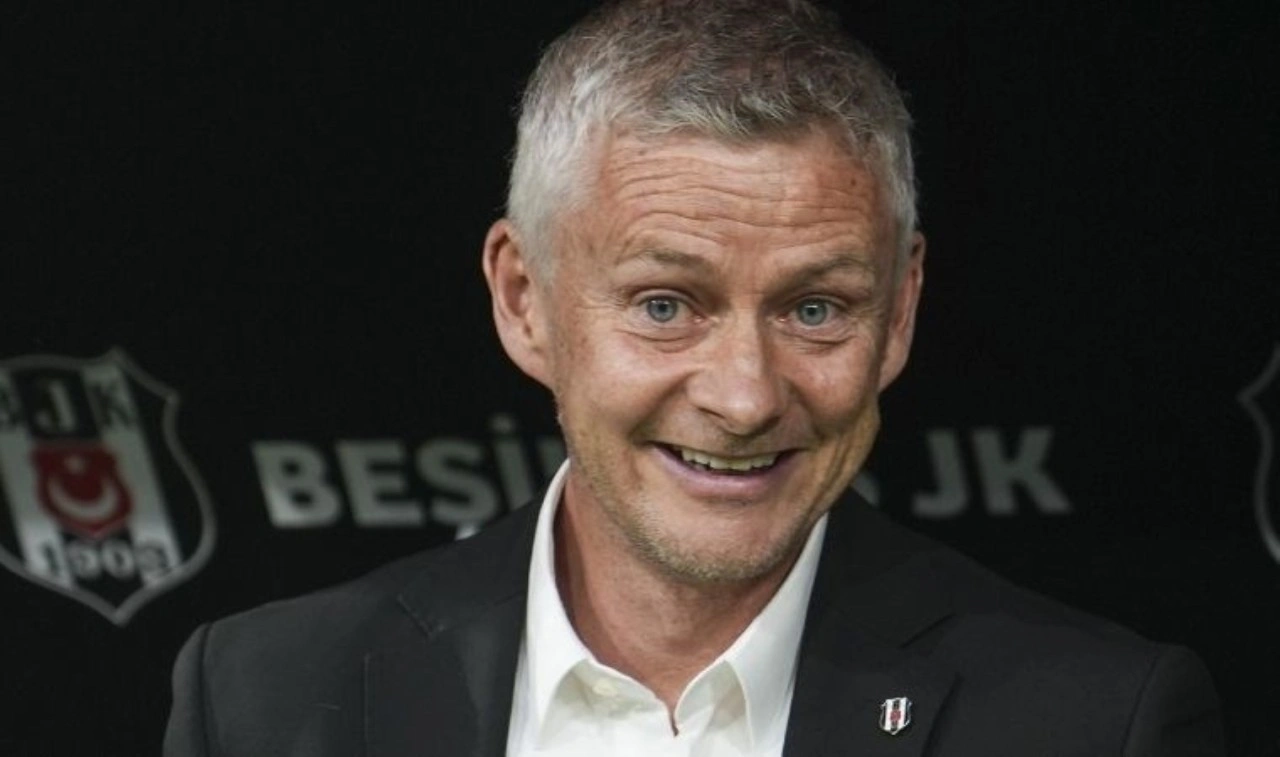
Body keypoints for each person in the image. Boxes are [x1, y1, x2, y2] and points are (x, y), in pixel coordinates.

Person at [164, 0, 1224, 754]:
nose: (744, 395)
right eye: (666, 305)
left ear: (899, 310)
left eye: (815, 309)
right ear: (524, 300)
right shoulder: (265, 699)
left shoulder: (1094, 722)